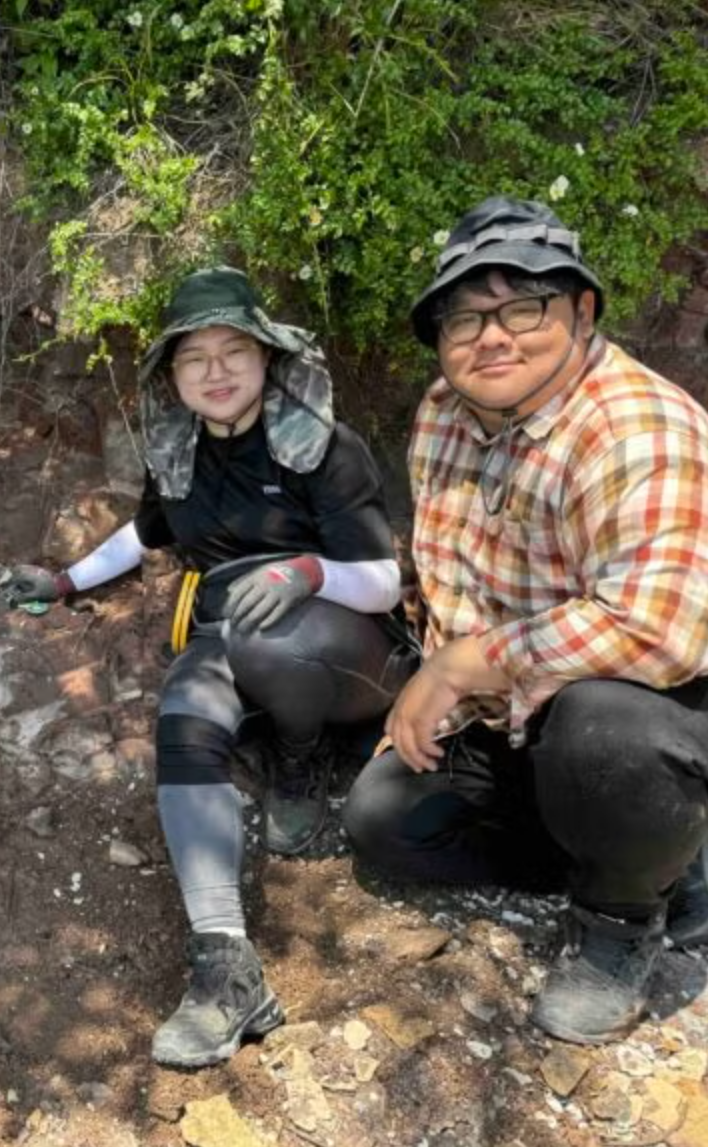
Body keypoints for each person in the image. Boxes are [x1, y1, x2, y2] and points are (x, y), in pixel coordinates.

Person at [2, 267, 416, 1067]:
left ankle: (300, 761)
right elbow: (144, 534)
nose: (215, 371)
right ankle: (226, 965)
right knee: (183, 718)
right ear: (173, 376)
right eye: (194, 358)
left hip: (348, 648)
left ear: (267, 358)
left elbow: (381, 581)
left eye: (233, 351)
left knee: (270, 642)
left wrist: (306, 572)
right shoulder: (180, 452)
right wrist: (62, 581)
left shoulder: (325, 445)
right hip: (230, 633)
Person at [342, 196, 708, 1046]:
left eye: (524, 307)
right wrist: (433, 687)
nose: (492, 337)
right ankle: (651, 858)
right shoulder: (444, 412)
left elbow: (664, 631)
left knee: (605, 731)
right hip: (507, 716)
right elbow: (448, 579)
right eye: (465, 318)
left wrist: (460, 665)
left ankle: (621, 921)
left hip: (651, 706)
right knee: (382, 821)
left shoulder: (637, 428)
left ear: (582, 311)